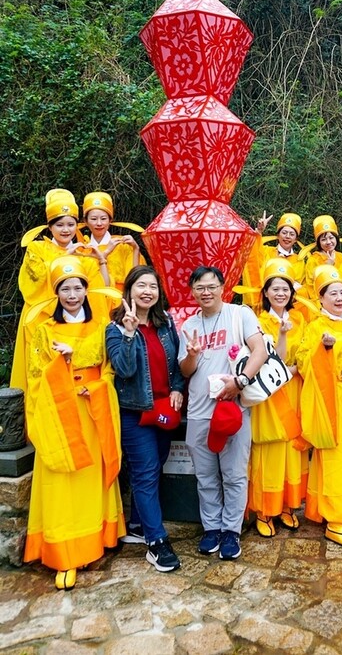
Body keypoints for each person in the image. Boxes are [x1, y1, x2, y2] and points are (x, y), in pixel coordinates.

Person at [23, 257, 124, 590]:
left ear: (86, 289)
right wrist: (63, 363)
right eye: (65, 288)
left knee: (90, 479)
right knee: (61, 482)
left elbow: (109, 372)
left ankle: (96, 542)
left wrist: (93, 386)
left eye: (77, 287)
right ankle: (64, 554)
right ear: (56, 293)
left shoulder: (102, 327)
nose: (72, 294)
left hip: (92, 411)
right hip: (59, 414)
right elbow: (35, 378)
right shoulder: (43, 331)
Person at [178, 266, 267, 561]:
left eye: (211, 286)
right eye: (200, 288)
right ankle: (211, 528)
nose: (206, 292)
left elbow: (260, 351)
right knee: (205, 476)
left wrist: (240, 381)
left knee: (233, 474)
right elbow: (185, 371)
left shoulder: (239, 314)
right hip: (200, 411)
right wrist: (191, 355)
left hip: (233, 408)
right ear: (192, 292)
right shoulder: (188, 324)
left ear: (222, 287)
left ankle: (231, 531)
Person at [106, 265, 185, 573]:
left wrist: (178, 388)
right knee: (146, 470)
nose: (147, 291)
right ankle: (156, 541)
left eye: (153, 286)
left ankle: (138, 524)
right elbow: (124, 370)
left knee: (158, 462)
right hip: (134, 411)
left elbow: (177, 362)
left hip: (164, 409)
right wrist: (128, 333)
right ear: (129, 290)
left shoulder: (165, 324)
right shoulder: (114, 328)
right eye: (141, 285)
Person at [295, 265, 342, 549]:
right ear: (321, 298)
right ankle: (335, 523)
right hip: (330, 400)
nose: (339, 297)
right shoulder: (316, 327)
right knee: (335, 456)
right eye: (332, 293)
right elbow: (303, 362)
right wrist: (323, 349)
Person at [11, 189, 110, 392]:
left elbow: (99, 292)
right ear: (49, 226)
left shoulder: (85, 253)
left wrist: (98, 259)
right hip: (42, 321)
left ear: (78, 225)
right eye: (59, 224)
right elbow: (33, 284)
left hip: (78, 324)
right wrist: (66, 257)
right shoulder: (36, 249)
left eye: (71, 224)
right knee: (42, 376)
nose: (66, 230)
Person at [248, 259, 307, 537]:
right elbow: (272, 360)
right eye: (275, 289)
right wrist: (283, 338)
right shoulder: (258, 322)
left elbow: (308, 352)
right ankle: (264, 508)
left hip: (295, 391)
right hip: (270, 394)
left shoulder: (301, 320)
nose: (281, 294)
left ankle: (287, 505)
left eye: (285, 289)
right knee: (269, 450)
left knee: (291, 451)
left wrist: (302, 366)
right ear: (266, 293)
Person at [82, 191, 145, 292]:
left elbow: (136, 278)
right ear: (86, 222)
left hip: (121, 300)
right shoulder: (82, 249)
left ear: (110, 220)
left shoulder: (123, 245)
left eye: (103, 219)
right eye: (93, 219)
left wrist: (135, 249)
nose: (99, 223)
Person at [241, 212, 305, 312]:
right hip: (263, 304)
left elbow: (298, 286)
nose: (287, 236)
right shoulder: (267, 251)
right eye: (284, 233)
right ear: (278, 235)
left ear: (296, 239)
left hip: (286, 308)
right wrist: (259, 232)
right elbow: (252, 257)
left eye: (292, 234)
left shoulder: (299, 260)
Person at [302, 215, 342, 310]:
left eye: (331, 238)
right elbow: (310, 286)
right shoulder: (313, 260)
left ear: (336, 239)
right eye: (323, 239)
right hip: (324, 307)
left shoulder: (340, 256)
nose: (328, 242)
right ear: (318, 242)